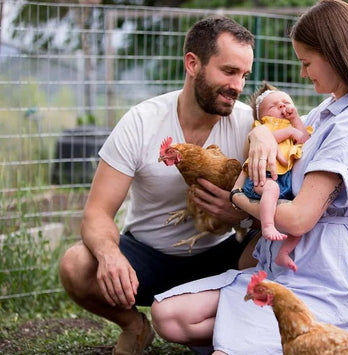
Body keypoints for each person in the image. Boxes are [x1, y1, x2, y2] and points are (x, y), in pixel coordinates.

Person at [151, 0, 348, 353]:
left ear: (335, 54)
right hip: (283, 268)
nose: (303, 74)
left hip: (322, 277)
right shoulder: (328, 110)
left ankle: (296, 340)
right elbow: (279, 132)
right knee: (167, 316)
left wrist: (238, 198)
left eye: (307, 62)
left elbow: (300, 218)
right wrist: (259, 135)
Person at [58, 16, 260, 355]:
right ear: (192, 64)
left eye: (244, 75)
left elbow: (275, 212)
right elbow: (96, 213)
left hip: (220, 257)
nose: (238, 86)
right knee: (76, 265)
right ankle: (135, 326)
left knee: (271, 253)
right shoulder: (142, 121)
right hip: (147, 259)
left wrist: (236, 214)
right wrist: (109, 255)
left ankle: (230, 329)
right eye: (228, 71)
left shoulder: (248, 124)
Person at [238, 83, 312, 272]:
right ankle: (267, 226)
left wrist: (295, 120)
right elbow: (268, 139)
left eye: (285, 102)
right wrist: (288, 131)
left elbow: (303, 139)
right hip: (262, 180)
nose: (281, 106)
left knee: (300, 219)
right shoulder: (262, 128)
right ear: (261, 116)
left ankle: (283, 253)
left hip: (285, 182)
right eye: (273, 106)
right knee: (272, 189)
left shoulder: (294, 125)